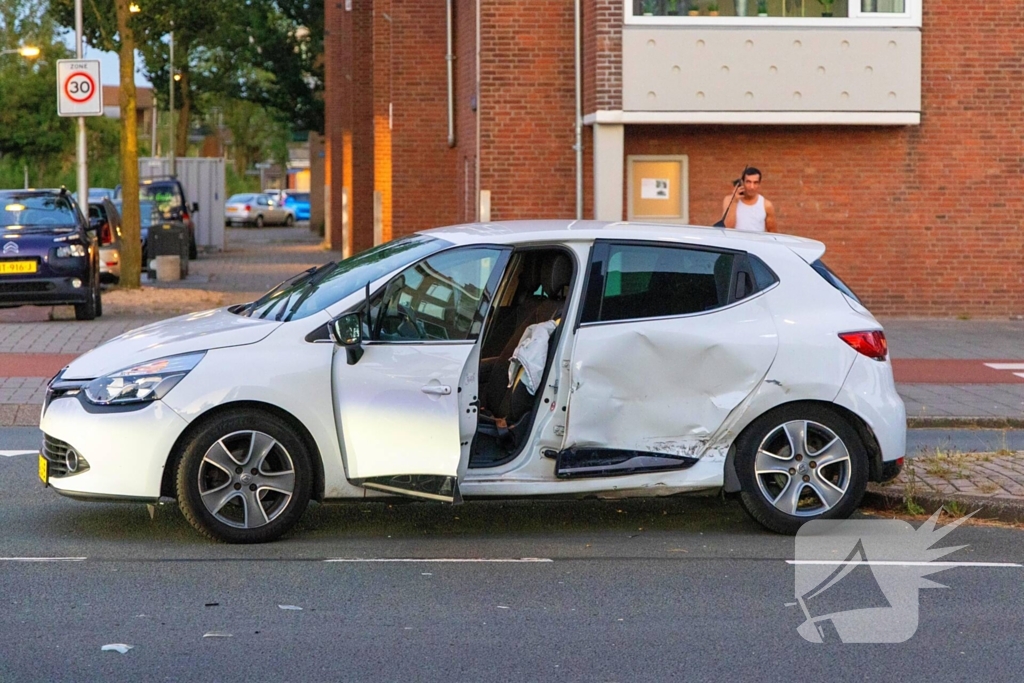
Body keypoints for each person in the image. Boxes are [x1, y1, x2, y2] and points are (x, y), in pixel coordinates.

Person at [723, 167, 777, 233]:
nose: (752, 187)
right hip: (735, 239)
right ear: (742, 183)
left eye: (755, 183)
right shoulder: (729, 200)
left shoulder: (766, 205)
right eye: (748, 182)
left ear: (759, 184)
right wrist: (734, 202)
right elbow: (727, 228)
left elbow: (773, 233)